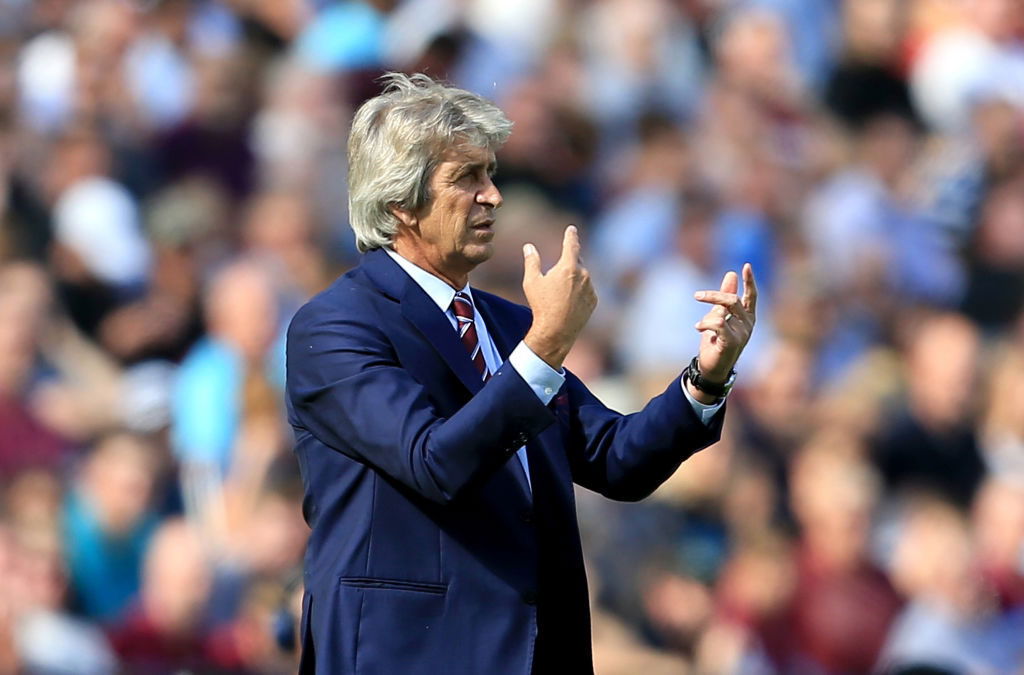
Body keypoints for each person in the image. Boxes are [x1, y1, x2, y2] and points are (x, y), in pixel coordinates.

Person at [285, 73, 757, 674]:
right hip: (408, 655)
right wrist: (547, 344)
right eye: (466, 178)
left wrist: (707, 378)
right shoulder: (337, 326)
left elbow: (616, 459)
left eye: (491, 175)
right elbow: (434, 463)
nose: (493, 197)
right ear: (400, 201)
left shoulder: (508, 325)